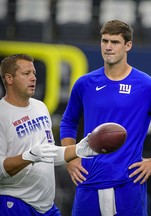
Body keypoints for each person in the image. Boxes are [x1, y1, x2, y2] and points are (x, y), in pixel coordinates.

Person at [60, 19, 151, 216]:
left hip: (128, 183)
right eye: (104, 41)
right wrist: (69, 159)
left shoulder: (148, 86)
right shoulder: (84, 83)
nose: (108, 47)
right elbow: (68, 121)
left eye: (115, 42)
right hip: (88, 181)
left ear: (128, 45)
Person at [0, 54, 98, 216]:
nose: (33, 78)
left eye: (34, 73)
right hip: (15, 203)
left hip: (45, 206)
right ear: (9, 79)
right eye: (26, 74)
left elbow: (48, 154)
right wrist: (28, 156)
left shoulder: (40, 107)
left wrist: (79, 149)